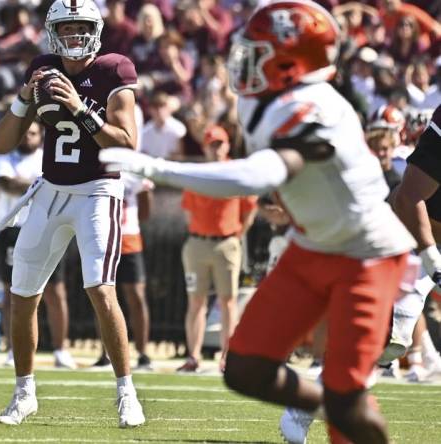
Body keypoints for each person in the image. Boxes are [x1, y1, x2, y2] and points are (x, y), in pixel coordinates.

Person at [101, 2, 415, 442]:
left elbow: (262, 174)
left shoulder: (313, 105)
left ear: (290, 61)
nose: (244, 58)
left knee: (346, 404)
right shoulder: (271, 101)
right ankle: (334, 402)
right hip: (313, 245)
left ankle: (343, 404)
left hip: (366, 256)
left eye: (258, 51)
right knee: (245, 366)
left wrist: (158, 168)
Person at [0, 0, 145, 428]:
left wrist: (80, 108)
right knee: (22, 294)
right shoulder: (41, 68)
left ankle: (127, 394)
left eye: (81, 27)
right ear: (51, 30)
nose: (75, 35)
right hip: (51, 189)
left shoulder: (115, 69)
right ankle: (24, 394)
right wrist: (24, 98)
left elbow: (126, 143)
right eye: (66, 27)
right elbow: (3, 142)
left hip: (98, 189)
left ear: (96, 29)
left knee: (100, 286)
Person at [0, 121, 77, 369]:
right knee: (10, 291)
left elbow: (58, 185)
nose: (29, 137)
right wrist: (39, 184)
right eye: (25, 132)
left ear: (41, 136)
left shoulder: (49, 157)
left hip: (46, 228)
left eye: (34, 133)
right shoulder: (4, 157)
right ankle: (11, 349)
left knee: (55, 291)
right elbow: (5, 183)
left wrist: (32, 184)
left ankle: (61, 350)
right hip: (12, 230)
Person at [177, 125, 257, 373]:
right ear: (205, 148)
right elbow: (187, 210)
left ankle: (227, 357)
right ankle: (193, 356)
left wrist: (236, 235)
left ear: (227, 145)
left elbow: (249, 208)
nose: (216, 149)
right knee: (196, 301)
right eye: (212, 144)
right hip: (198, 242)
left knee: (228, 302)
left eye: (220, 143)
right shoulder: (198, 175)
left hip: (226, 243)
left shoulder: (235, 172)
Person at [93, 172, 154, 370]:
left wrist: (144, 190)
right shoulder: (99, 168)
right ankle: (105, 354)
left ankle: (142, 353)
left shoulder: (133, 172)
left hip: (129, 239)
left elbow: (145, 212)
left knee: (136, 296)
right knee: (102, 295)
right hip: (103, 238)